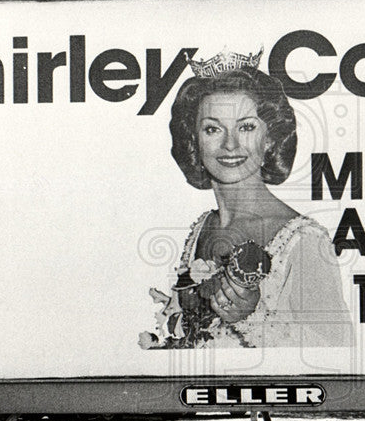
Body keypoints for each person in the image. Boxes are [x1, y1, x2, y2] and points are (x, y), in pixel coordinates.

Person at [148, 51, 350, 349]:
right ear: (194, 140)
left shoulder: (305, 240)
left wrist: (252, 316)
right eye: (213, 129)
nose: (230, 145)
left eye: (246, 127)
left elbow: (338, 356)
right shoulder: (203, 227)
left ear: (269, 140)